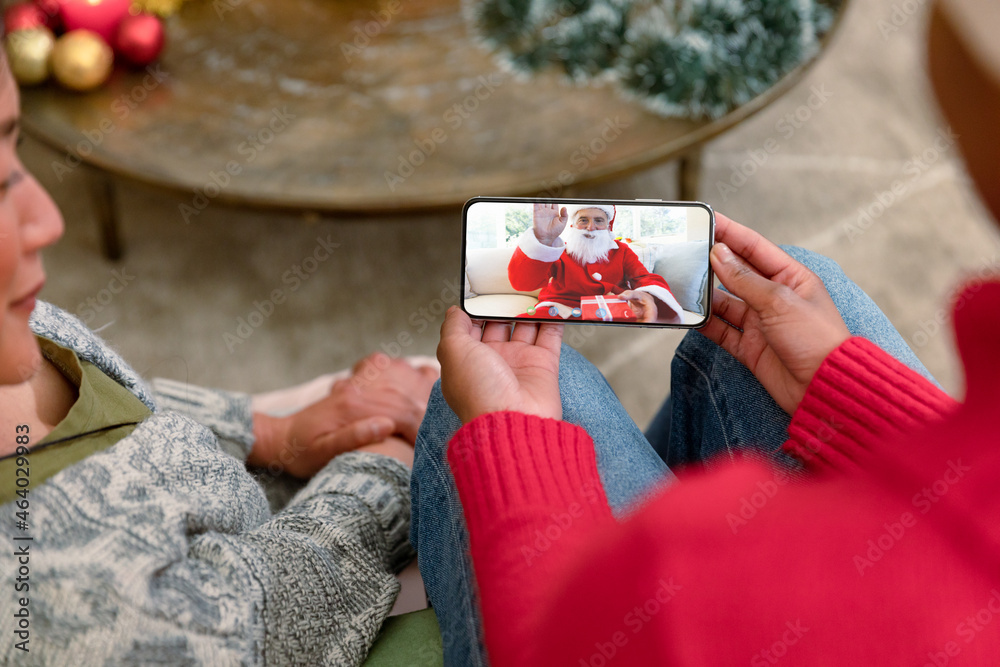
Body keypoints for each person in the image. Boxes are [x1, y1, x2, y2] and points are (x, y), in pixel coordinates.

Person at [410, 0, 1000, 664]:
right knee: (792, 297)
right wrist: (855, 390)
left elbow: (571, 641)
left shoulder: (698, 583)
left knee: (526, 390)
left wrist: (515, 450)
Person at [0, 50, 438, 664]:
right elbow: (266, 623)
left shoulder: (12, 327)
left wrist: (265, 429)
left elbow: (126, 417)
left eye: (15, 146)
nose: (47, 219)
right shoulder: (43, 601)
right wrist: (384, 467)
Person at [507, 203, 684, 323]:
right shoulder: (558, 250)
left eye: (598, 220)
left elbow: (643, 277)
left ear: (608, 226)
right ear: (573, 225)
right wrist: (543, 240)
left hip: (612, 310)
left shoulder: (621, 251)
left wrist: (649, 295)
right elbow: (523, 283)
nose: (590, 227)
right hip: (559, 309)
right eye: (583, 220)